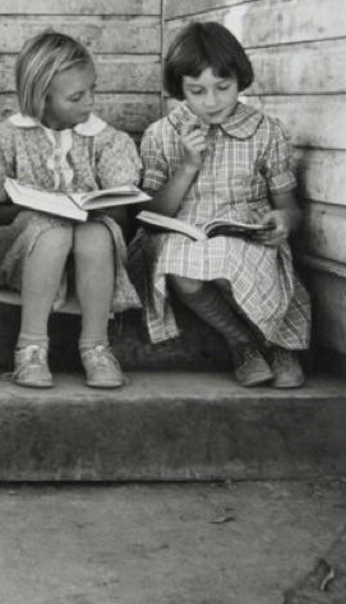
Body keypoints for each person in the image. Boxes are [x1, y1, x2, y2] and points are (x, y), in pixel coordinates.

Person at [129, 21, 310, 388]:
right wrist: (189, 165)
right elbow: (151, 218)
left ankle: (275, 344)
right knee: (182, 265)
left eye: (222, 88)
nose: (211, 101)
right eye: (196, 91)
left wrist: (284, 221)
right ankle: (242, 343)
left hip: (247, 232)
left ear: (239, 80)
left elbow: (289, 207)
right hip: (182, 231)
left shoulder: (265, 131)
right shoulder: (162, 135)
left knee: (232, 255)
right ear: (179, 88)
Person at [0, 31, 142, 389]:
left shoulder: (105, 140)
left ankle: (96, 347)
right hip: (25, 249)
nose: (89, 102)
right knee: (53, 231)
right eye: (76, 97)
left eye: (92, 90)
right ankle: (31, 348)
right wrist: (43, 210)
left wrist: (85, 212)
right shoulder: (8, 137)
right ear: (42, 98)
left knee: (95, 233)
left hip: (90, 248)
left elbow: (121, 214)